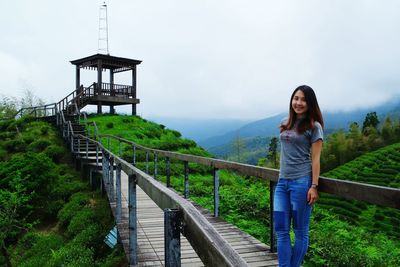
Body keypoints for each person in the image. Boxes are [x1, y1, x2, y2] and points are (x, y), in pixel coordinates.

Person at [273, 85, 324, 267]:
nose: (299, 102)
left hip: (301, 183)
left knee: (300, 231)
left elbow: (316, 159)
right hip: (281, 183)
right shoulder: (284, 122)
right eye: (296, 98)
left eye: (303, 99)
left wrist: (314, 186)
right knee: (281, 230)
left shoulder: (314, 126)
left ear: (310, 103)